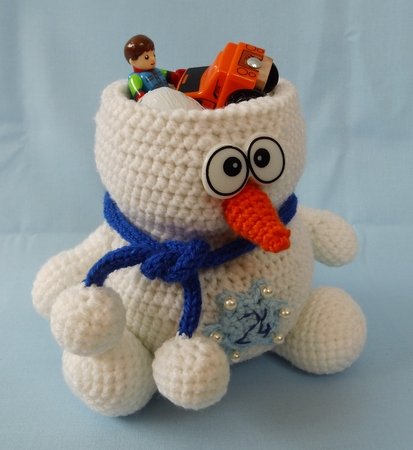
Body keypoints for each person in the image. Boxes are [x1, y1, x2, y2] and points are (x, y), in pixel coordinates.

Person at [124, 35, 184, 101]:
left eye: (153, 55)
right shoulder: (135, 77)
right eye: (146, 57)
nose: (153, 59)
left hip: (169, 96)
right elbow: (137, 93)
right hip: (155, 101)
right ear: (133, 61)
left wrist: (177, 76)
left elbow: (170, 76)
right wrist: (141, 97)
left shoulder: (157, 71)